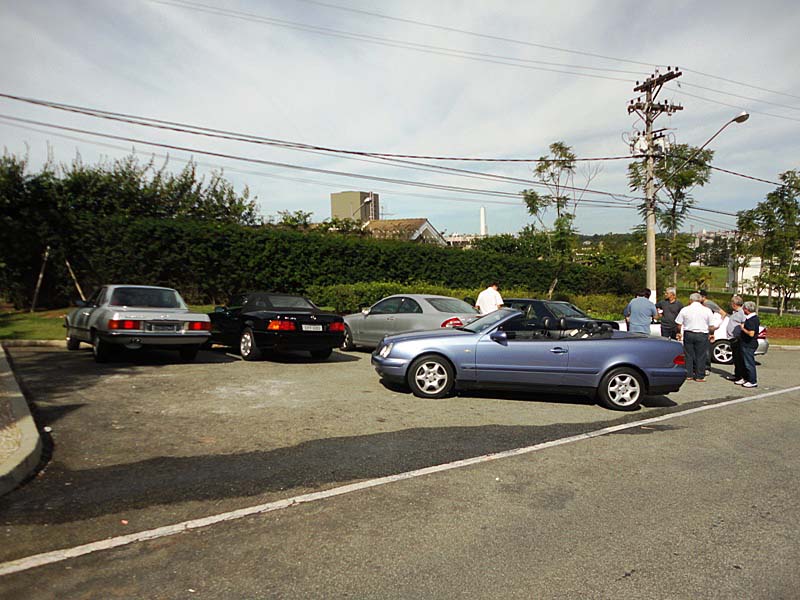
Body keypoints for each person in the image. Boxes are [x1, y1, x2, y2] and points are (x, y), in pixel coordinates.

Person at [675, 292, 716, 382]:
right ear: (700, 300)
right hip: (702, 334)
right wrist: (712, 334)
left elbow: (678, 324)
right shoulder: (707, 310)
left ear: (690, 300)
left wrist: (678, 333)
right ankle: (699, 376)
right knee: (701, 355)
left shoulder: (685, 309)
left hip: (689, 333)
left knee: (688, 354)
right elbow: (711, 325)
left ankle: (688, 374)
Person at [726, 295, 747, 384]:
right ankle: (737, 374)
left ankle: (741, 376)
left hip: (737, 338)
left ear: (735, 304)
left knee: (739, 359)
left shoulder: (741, 313)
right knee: (735, 358)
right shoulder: (735, 312)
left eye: (732, 303)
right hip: (732, 338)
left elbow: (744, 323)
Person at [739, 301, 760, 388]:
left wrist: (742, 328)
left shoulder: (752, 320)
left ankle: (752, 380)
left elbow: (751, 333)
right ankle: (745, 378)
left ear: (746, 309)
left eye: (744, 308)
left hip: (749, 344)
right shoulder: (753, 317)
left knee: (749, 363)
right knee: (744, 362)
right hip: (746, 343)